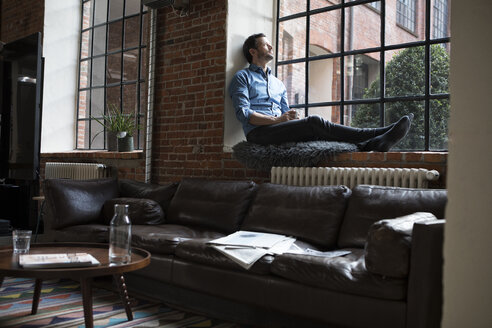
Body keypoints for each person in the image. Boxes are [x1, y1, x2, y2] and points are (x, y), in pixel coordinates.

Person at [228, 33, 412, 152]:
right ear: (253, 51)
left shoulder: (278, 84)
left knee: (315, 128)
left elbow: (287, 114)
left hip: (278, 129)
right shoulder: (242, 77)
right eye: (265, 45)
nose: (271, 47)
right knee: (314, 123)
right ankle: (375, 134)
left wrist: (291, 117)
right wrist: (278, 120)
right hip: (258, 134)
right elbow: (244, 115)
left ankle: (370, 143)